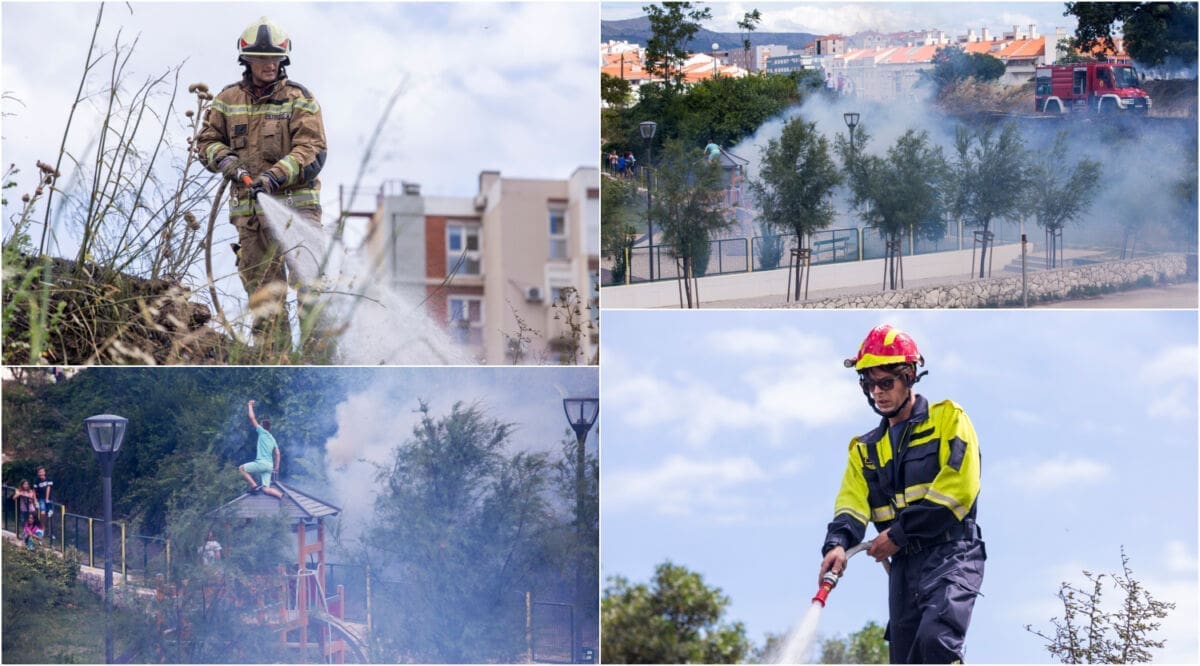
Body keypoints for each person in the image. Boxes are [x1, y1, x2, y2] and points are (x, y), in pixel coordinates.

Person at [818, 324, 985, 664]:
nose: (877, 392)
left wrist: (898, 533)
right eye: (869, 384)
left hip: (952, 553)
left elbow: (958, 488)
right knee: (906, 657)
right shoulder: (865, 450)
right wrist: (837, 545)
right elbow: (851, 504)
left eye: (885, 383)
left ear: (909, 376)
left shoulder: (948, 420)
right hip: (904, 566)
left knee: (935, 641)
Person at [196, 16, 329, 354]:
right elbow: (206, 141)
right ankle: (274, 360)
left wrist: (275, 176)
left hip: (297, 211)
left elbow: (312, 149)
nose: (270, 65)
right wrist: (226, 161)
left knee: (311, 288)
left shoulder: (300, 99)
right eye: (262, 58)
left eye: (275, 59)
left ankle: (317, 359)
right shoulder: (226, 100)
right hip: (251, 219)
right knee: (265, 297)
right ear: (247, 60)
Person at [239, 399, 283, 498]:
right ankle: (281, 496)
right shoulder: (273, 439)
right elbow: (277, 453)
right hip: (269, 466)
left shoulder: (262, 432)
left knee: (241, 468)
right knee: (265, 489)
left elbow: (252, 418)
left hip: (262, 463)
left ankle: (253, 486)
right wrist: (276, 467)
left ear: (262, 427)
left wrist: (250, 405)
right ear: (270, 428)